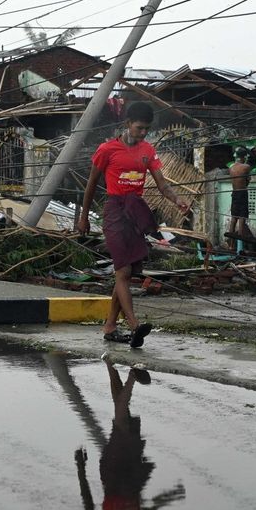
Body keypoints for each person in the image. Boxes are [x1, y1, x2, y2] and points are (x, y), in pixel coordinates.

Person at [77, 102, 189, 348]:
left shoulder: (148, 150)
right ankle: (134, 325)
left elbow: (162, 184)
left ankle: (110, 326)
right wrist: (83, 217)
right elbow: (91, 185)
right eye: (139, 128)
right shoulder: (107, 149)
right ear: (127, 124)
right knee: (123, 271)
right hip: (115, 211)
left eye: (147, 129)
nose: (143, 133)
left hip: (135, 211)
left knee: (126, 272)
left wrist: (177, 199)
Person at [75, 355, 185, 510]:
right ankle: (110, 364)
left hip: (113, 472)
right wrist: (173, 495)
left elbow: (87, 501)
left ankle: (132, 376)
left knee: (121, 422)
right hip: (134, 473)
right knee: (121, 418)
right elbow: (154, 506)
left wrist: (80, 468)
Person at [226, 147, 252, 251]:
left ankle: (231, 246)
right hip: (242, 193)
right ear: (244, 157)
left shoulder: (231, 167)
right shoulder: (246, 167)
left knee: (233, 219)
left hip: (234, 193)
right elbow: (247, 181)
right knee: (242, 220)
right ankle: (239, 248)